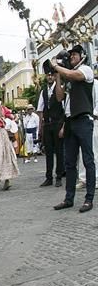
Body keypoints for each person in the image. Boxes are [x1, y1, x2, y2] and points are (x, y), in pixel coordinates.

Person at [50, 45, 94, 213]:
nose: (71, 57)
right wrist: (58, 76)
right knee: (69, 162)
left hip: (83, 119)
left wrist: (57, 66)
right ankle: (69, 199)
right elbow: (60, 97)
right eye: (70, 55)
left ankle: (89, 199)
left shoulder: (86, 70)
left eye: (74, 54)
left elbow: (72, 74)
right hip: (69, 122)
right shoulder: (68, 76)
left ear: (82, 55)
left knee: (88, 160)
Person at [37, 71, 65, 186]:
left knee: (59, 151)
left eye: (51, 75)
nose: (49, 77)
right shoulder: (43, 91)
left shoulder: (60, 88)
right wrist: (41, 127)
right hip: (47, 125)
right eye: (48, 75)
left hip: (57, 123)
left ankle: (59, 176)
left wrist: (63, 126)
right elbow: (40, 110)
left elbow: (65, 109)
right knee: (48, 152)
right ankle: (49, 177)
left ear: (54, 76)